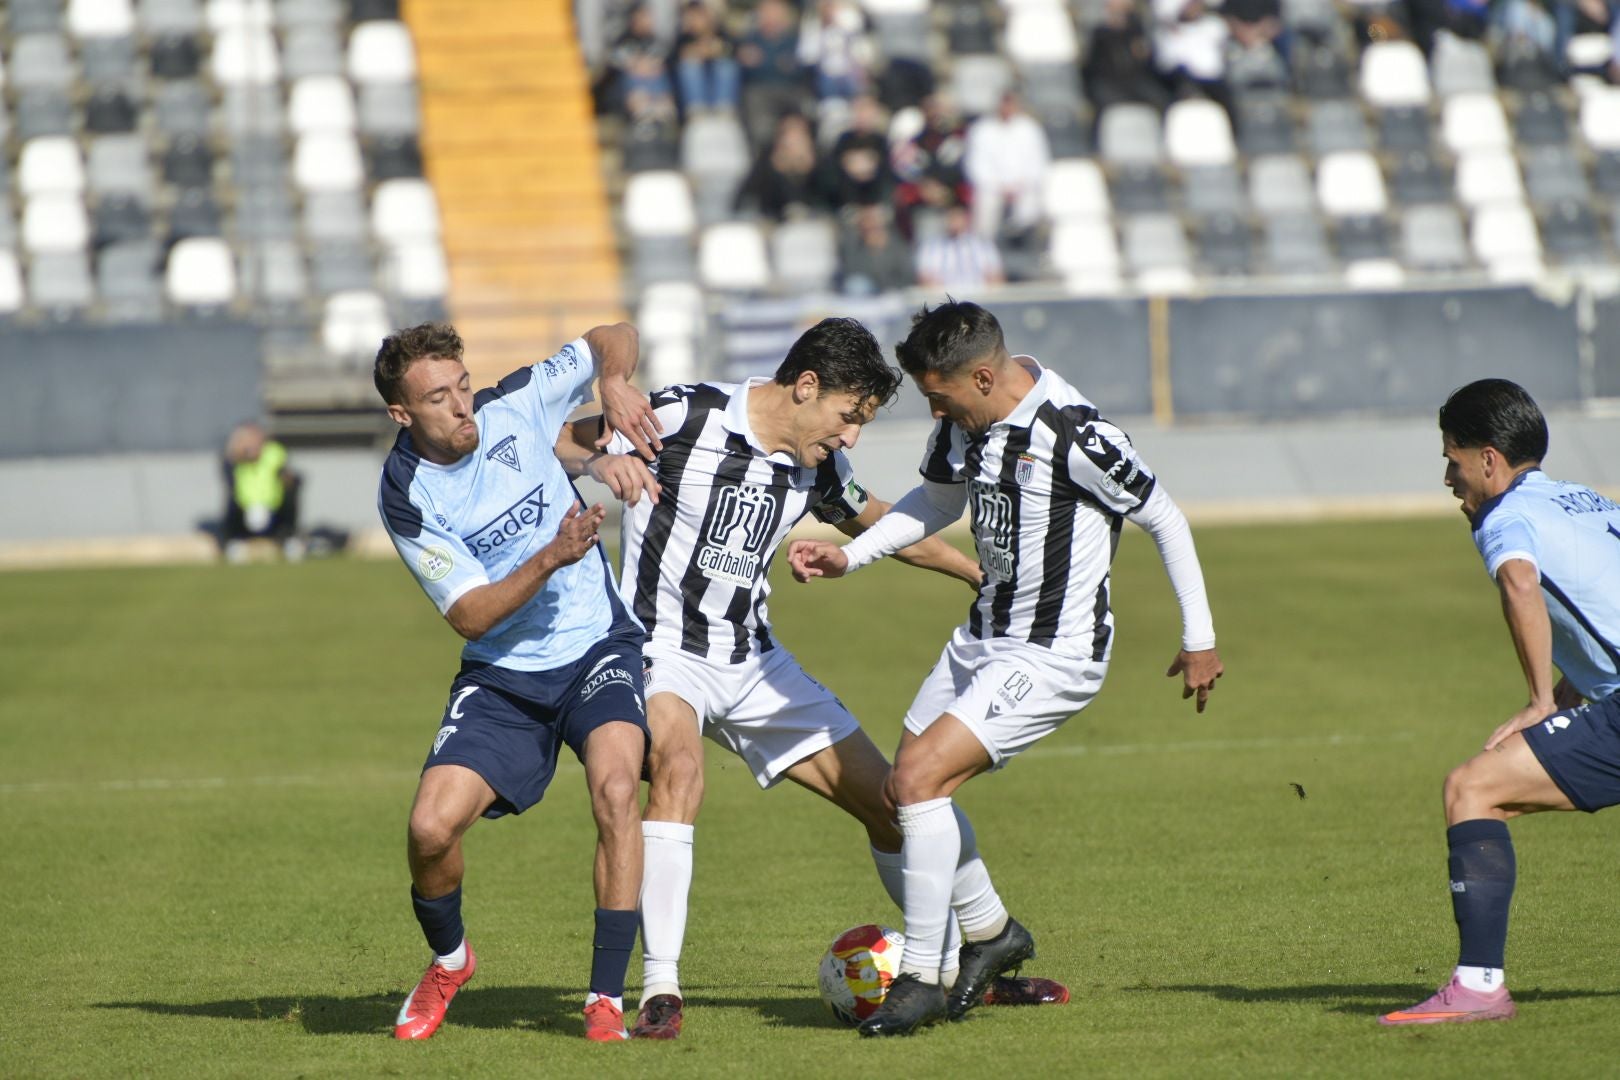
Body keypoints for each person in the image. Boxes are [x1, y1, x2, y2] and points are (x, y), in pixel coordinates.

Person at [558, 317, 1069, 1039]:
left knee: (895, 801)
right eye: (848, 416)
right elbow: (561, 429)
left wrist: (974, 574)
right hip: (662, 651)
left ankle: (967, 964)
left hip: (756, 662)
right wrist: (598, 446)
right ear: (806, 386)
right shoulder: (682, 416)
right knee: (678, 765)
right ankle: (660, 989)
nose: (851, 436)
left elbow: (879, 524)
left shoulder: (815, 466)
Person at [789, 301, 1225, 1036]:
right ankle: (992, 934)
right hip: (983, 637)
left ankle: (925, 974)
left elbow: (1164, 516)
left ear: (984, 376)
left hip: (1054, 652)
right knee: (906, 794)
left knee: (919, 780)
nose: (934, 409)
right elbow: (935, 500)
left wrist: (1201, 637)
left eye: (939, 396)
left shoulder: (1072, 432)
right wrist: (850, 555)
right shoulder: (965, 422)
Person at [374, 321, 664, 1043]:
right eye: (438, 399)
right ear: (402, 415)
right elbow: (471, 616)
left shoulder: (515, 403)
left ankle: (604, 998)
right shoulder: (407, 494)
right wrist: (551, 556)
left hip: (597, 643)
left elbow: (612, 333)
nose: (462, 406)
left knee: (617, 790)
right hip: (504, 675)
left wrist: (614, 381)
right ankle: (450, 961)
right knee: (430, 828)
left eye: (463, 387)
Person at [1381, 380, 1620, 1025]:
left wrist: (1542, 699)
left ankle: (1479, 987)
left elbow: (1520, 584)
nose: (1447, 476)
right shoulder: (1588, 501)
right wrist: (1579, 686)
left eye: (1452, 459)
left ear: (1488, 460)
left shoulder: (1505, 515)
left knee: (1473, 789)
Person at [220, 422, 302, 562]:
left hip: (273, 507)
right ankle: (235, 541)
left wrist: (288, 478)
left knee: (291, 493)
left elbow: (285, 471)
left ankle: (289, 538)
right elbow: (228, 469)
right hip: (244, 508)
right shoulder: (234, 458)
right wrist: (241, 454)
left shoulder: (274, 453)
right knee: (231, 502)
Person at [914, 202, 1005, 292]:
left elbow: (996, 278)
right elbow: (925, 280)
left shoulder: (983, 245)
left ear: (966, 218)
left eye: (957, 217)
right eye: (950, 217)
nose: (953, 221)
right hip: (943, 300)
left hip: (978, 299)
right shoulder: (931, 246)